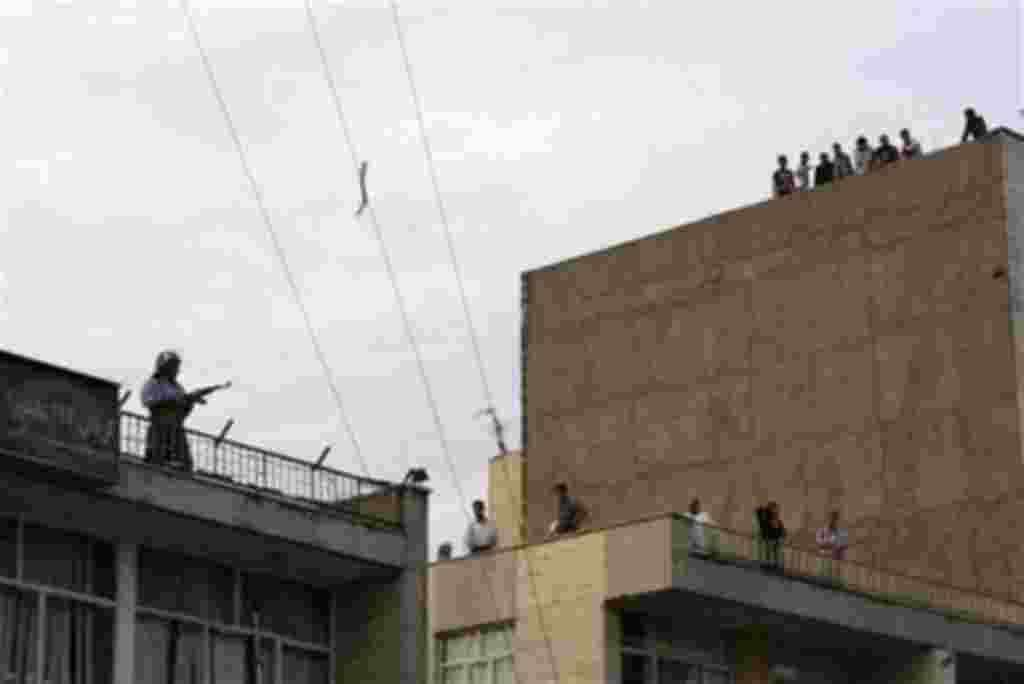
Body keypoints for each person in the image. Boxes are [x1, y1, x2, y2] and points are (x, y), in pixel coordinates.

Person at [140, 351, 229, 470]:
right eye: (172, 366)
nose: (175, 370)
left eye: (176, 367)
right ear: (163, 366)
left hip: (176, 429)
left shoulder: (177, 387)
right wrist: (173, 400)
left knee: (185, 466)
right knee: (157, 462)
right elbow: (148, 401)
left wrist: (190, 401)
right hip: (160, 427)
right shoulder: (153, 383)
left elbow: (183, 411)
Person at [816, 511, 849, 582]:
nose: (832, 520)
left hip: (835, 562)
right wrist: (828, 544)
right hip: (823, 559)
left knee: (833, 579)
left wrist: (834, 546)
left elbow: (843, 546)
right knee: (821, 576)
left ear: (837, 520)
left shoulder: (841, 532)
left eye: (834, 518)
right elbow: (819, 542)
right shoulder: (822, 530)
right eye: (831, 518)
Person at [755, 502, 786, 570]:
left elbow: (779, 527)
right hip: (772, 536)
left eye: (775, 509)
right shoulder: (766, 518)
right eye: (774, 509)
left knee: (774, 551)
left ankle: (775, 564)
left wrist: (783, 534)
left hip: (775, 536)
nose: (775, 511)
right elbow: (758, 511)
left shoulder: (773, 518)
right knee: (770, 551)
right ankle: (772, 564)